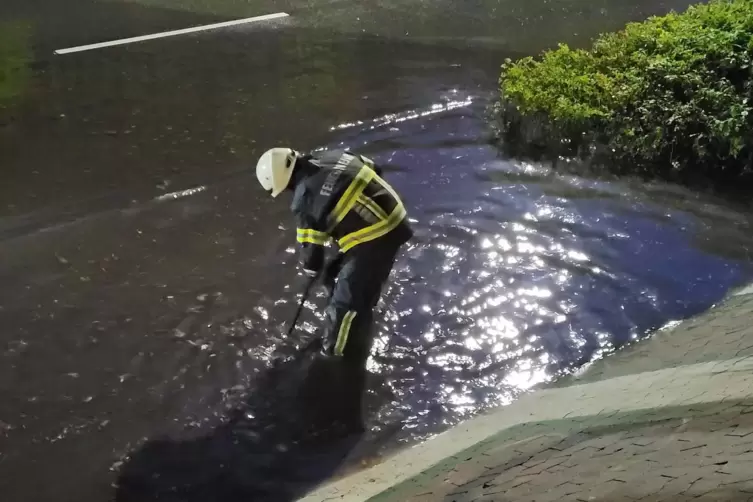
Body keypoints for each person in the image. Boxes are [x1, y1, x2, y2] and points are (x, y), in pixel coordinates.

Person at [255, 147, 413, 431]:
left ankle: (334, 357)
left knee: (343, 306)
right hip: (395, 217)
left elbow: (312, 258)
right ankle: (360, 311)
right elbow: (374, 168)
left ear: (283, 182)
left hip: (375, 236)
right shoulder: (332, 156)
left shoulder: (303, 199)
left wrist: (311, 270)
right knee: (335, 276)